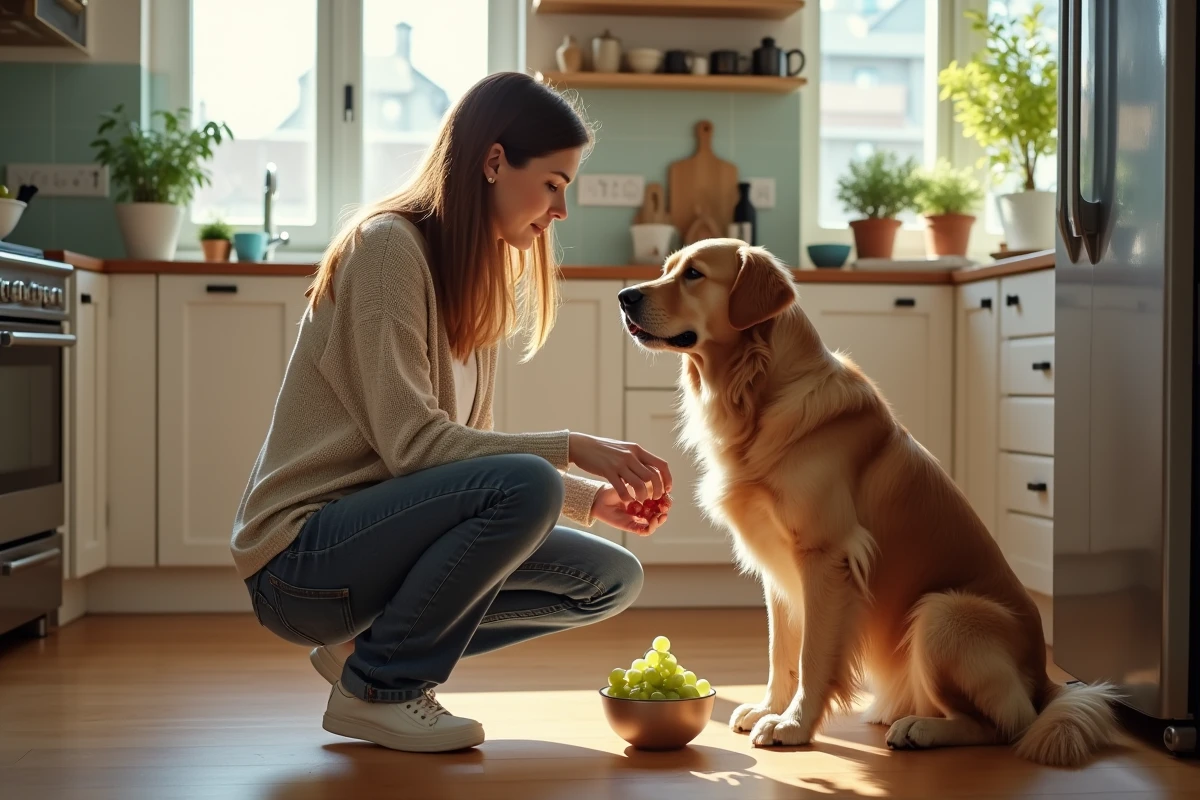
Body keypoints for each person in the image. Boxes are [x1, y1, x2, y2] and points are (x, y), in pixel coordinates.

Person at [230, 71, 672, 754]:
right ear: (494, 161)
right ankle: (379, 688)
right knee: (530, 479)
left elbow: (464, 460)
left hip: (375, 547)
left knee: (608, 579)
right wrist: (574, 448)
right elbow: (416, 447)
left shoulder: (472, 276)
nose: (561, 212)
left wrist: (590, 502)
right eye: (553, 184)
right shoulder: (388, 248)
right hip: (301, 561)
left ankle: (363, 653)